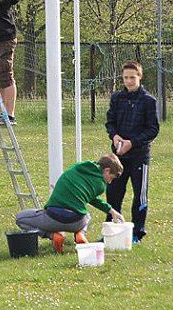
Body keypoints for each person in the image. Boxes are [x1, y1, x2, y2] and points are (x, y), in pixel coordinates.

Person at [15, 154, 125, 253]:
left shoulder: (78, 167)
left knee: (20, 218)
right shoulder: (100, 186)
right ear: (106, 170)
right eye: (111, 178)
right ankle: (80, 234)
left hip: (52, 218)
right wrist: (112, 211)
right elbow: (93, 199)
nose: (110, 182)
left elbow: (74, 187)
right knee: (87, 215)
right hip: (77, 222)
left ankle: (53, 235)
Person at [105, 60, 159, 243]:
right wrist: (114, 136)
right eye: (125, 77)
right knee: (113, 193)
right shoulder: (117, 98)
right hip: (118, 156)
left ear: (140, 77)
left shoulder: (148, 100)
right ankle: (111, 229)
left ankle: (137, 232)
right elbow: (110, 122)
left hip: (139, 156)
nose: (128, 81)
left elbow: (153, 129)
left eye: (132, 78)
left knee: (139, 195)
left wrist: (132, 142)